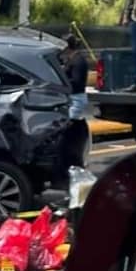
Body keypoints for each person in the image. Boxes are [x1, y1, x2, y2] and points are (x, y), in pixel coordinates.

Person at [51, 34, 90, 189]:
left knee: (69, 131)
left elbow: (77, 81)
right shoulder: (69, 59)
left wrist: (61, 82)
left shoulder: (78, 61)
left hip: (76, 98)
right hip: (70, 98)